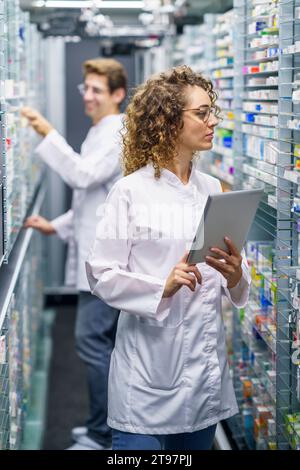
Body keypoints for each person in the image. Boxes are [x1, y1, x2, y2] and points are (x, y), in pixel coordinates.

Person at [86, 65, 251, 451]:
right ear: (168, 120)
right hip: (146, 382)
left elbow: (235, 283)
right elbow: (100, 274)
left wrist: (235, 275)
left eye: (213, 112)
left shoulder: (213, 188)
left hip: (203, 377)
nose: (212, 122)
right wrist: (163, 285)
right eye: (202, 113)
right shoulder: (130, 191)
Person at [23, 58, 127, 450]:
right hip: (95, 253)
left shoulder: (119, 132)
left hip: (106, 261)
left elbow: (82, 176)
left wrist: (48, 132)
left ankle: (104, 434)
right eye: (85, 87)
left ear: (118, 94)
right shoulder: (102, 130)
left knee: (91, 341)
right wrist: (57, 225)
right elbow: (92, 198)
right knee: (97, 343)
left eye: (97, 90)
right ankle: (102, 424)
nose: (88, 95)